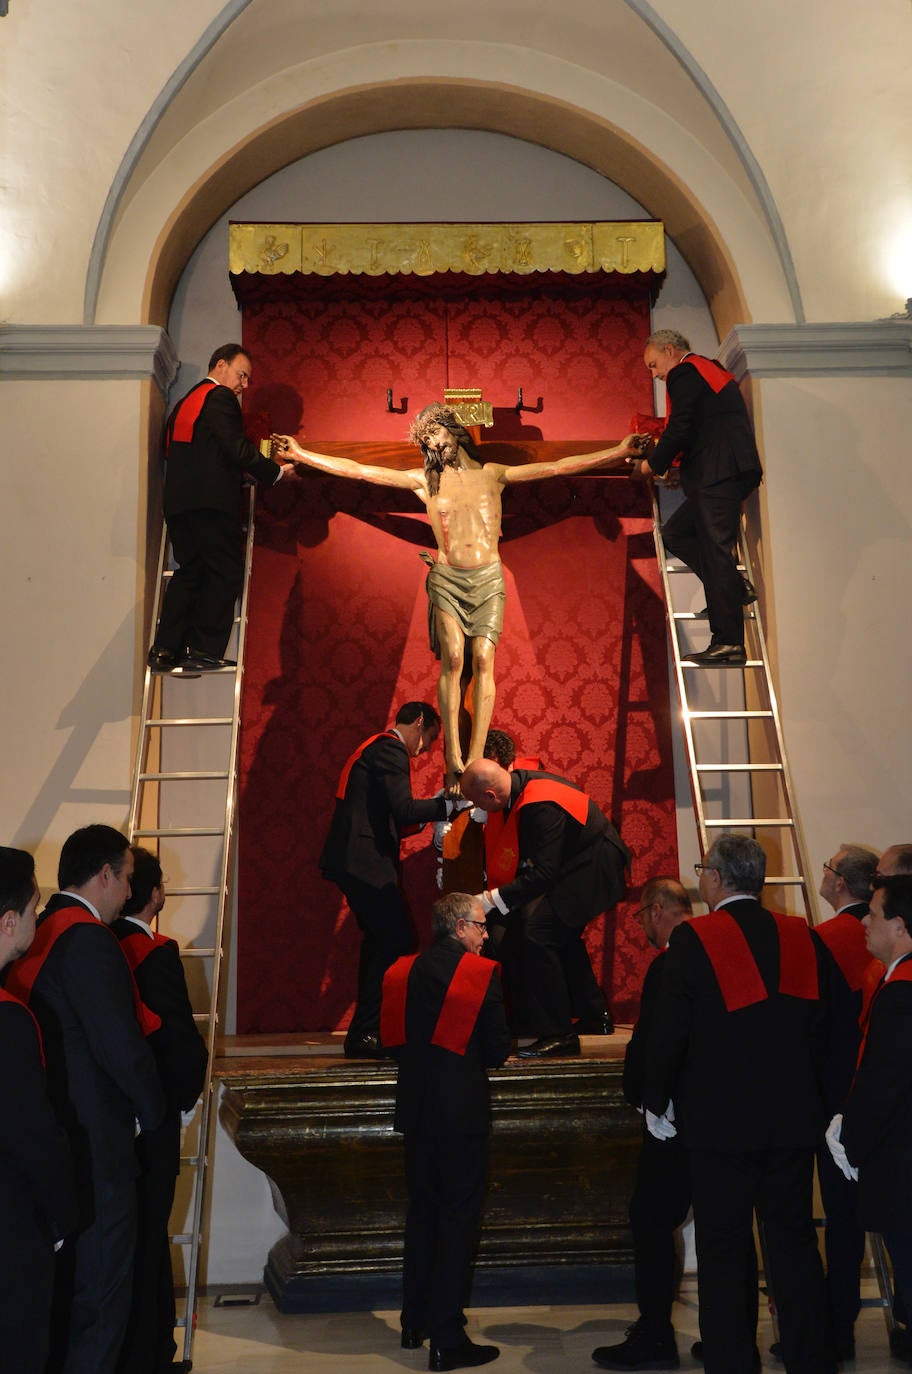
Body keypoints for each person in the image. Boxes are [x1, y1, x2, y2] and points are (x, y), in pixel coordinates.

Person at [277, 407, 644, 786]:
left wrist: (616, 453)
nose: (433, 443)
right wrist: (303, 455)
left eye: (436, 434)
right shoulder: (426, 482)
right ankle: (453, 754)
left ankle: (474, 755)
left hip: (487, 578)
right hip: (449, 577)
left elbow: (557, 467)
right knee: (453, 658)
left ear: (454, 432)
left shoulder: (493, 474)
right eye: (427, 440)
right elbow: (362, 470)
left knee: (484, 659)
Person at [643, 835, 834, 1374]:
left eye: (703, 869)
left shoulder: (694, 941)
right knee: (794, 1244)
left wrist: (657, 1100)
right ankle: (811, 1359)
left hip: (719, 1124)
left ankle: (731, 1361)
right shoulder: (801, 936)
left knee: (726, 1250)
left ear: (717, 880)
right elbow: (829, 1027)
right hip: (793, 1121)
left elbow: (669, 1033)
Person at [5, 825, 165, 1374]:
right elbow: (121, 1048)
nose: (128, 893)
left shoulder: (47, 929)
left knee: (72, 1303)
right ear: (104, 876)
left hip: (62, 1140)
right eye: (125, 879)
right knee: (101, 1305)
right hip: (98, 1148)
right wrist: (157, 1112)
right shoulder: (89, 938)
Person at [380, 891, 511, 1371]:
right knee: (458, 1218)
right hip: (461, 1114)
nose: (484, 934)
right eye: (480, 926)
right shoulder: (480, 974)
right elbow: (497, 1051)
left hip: (415, 1111)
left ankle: (414, 1321)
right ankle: (448, 1337)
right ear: (459, 927)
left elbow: (391, 1042)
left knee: (423, 1213)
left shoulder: (399, 971)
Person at [459, 757, 629, 1058]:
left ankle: (559, 1033)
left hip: (596, 866)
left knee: (538, 931)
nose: (480, 811)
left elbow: (543, 874)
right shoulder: (519, 785)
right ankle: (594, 1015)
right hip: (578, 864)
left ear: (490, 795)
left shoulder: (539, 806)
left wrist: (488, 900)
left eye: (479, 803)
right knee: (558, 932)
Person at [112, 846, 209, 1374]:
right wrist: (187, 1100)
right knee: (151, 1235)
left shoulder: (101, 943)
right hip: (154, 1113)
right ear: (153, 894)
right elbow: (177, 1040)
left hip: (114, 1114)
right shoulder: (156, 951)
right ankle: (152, 1352)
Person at [320, 702, 462, 1058]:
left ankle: (367, 1031)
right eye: (429, 739)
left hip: (354, 859)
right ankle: (368, 1031)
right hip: (364, 861)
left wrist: (433, 805)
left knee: (382, 941)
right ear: (418, 722)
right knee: (396, 938)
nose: (426, 749)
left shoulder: (374, 748)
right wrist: (451, 806)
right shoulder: (390, 748)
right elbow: (404, 811)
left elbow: (390, 814)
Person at [592, 877, 694, 1370]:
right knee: (726, 1222)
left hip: (674, 1119)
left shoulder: (671, 964)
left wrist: (652, 1103)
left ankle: (655, 1335)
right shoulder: (719, 956)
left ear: (657, 910)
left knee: (649, 1220)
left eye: (639, 917)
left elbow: (659, 1042)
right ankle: (726, 1333)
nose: (642, 929)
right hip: (721, 1116)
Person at [148, 343, 296, 673]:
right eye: (242, 375)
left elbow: (190, 450)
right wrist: (273, 473)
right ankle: (202, 649)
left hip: (179, 505)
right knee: (223, 572)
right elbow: (236, 448)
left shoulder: (186, 402)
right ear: (220, 366)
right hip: (211, 505)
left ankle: (164, 650)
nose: (244, 385)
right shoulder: (220, 398)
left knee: (189, 573)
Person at [632, 329, 763, 666]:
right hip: (721, 470)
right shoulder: (707, 369)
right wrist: (679, 469)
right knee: (676, 533)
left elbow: (681, 427)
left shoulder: (684, 372)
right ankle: (735, 587)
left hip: (719, 472)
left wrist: (652, 466)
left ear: (671, 350)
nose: (655, 373)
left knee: (715, 550)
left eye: (654, 364)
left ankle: (729, 644)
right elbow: (703, 428)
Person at [0, 846, 76, 1374]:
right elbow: (32, 1136)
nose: (38, 914)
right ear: (8, 922)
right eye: (33, 906)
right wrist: (63, 1215)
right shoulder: (8, 1021)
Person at [831, 876, 912, 1368]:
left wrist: (851, 1143)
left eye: (876, 914)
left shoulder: (901, 993)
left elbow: (884, 1083)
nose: (865, 920)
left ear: (901, 927)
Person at [813, 844, 880, 1359]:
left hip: (832, 1094)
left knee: (840, 1217)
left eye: (828, 867)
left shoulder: (827, 939)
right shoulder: (887, 937)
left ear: (840, 884)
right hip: (881, 1090)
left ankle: (836, 1330)